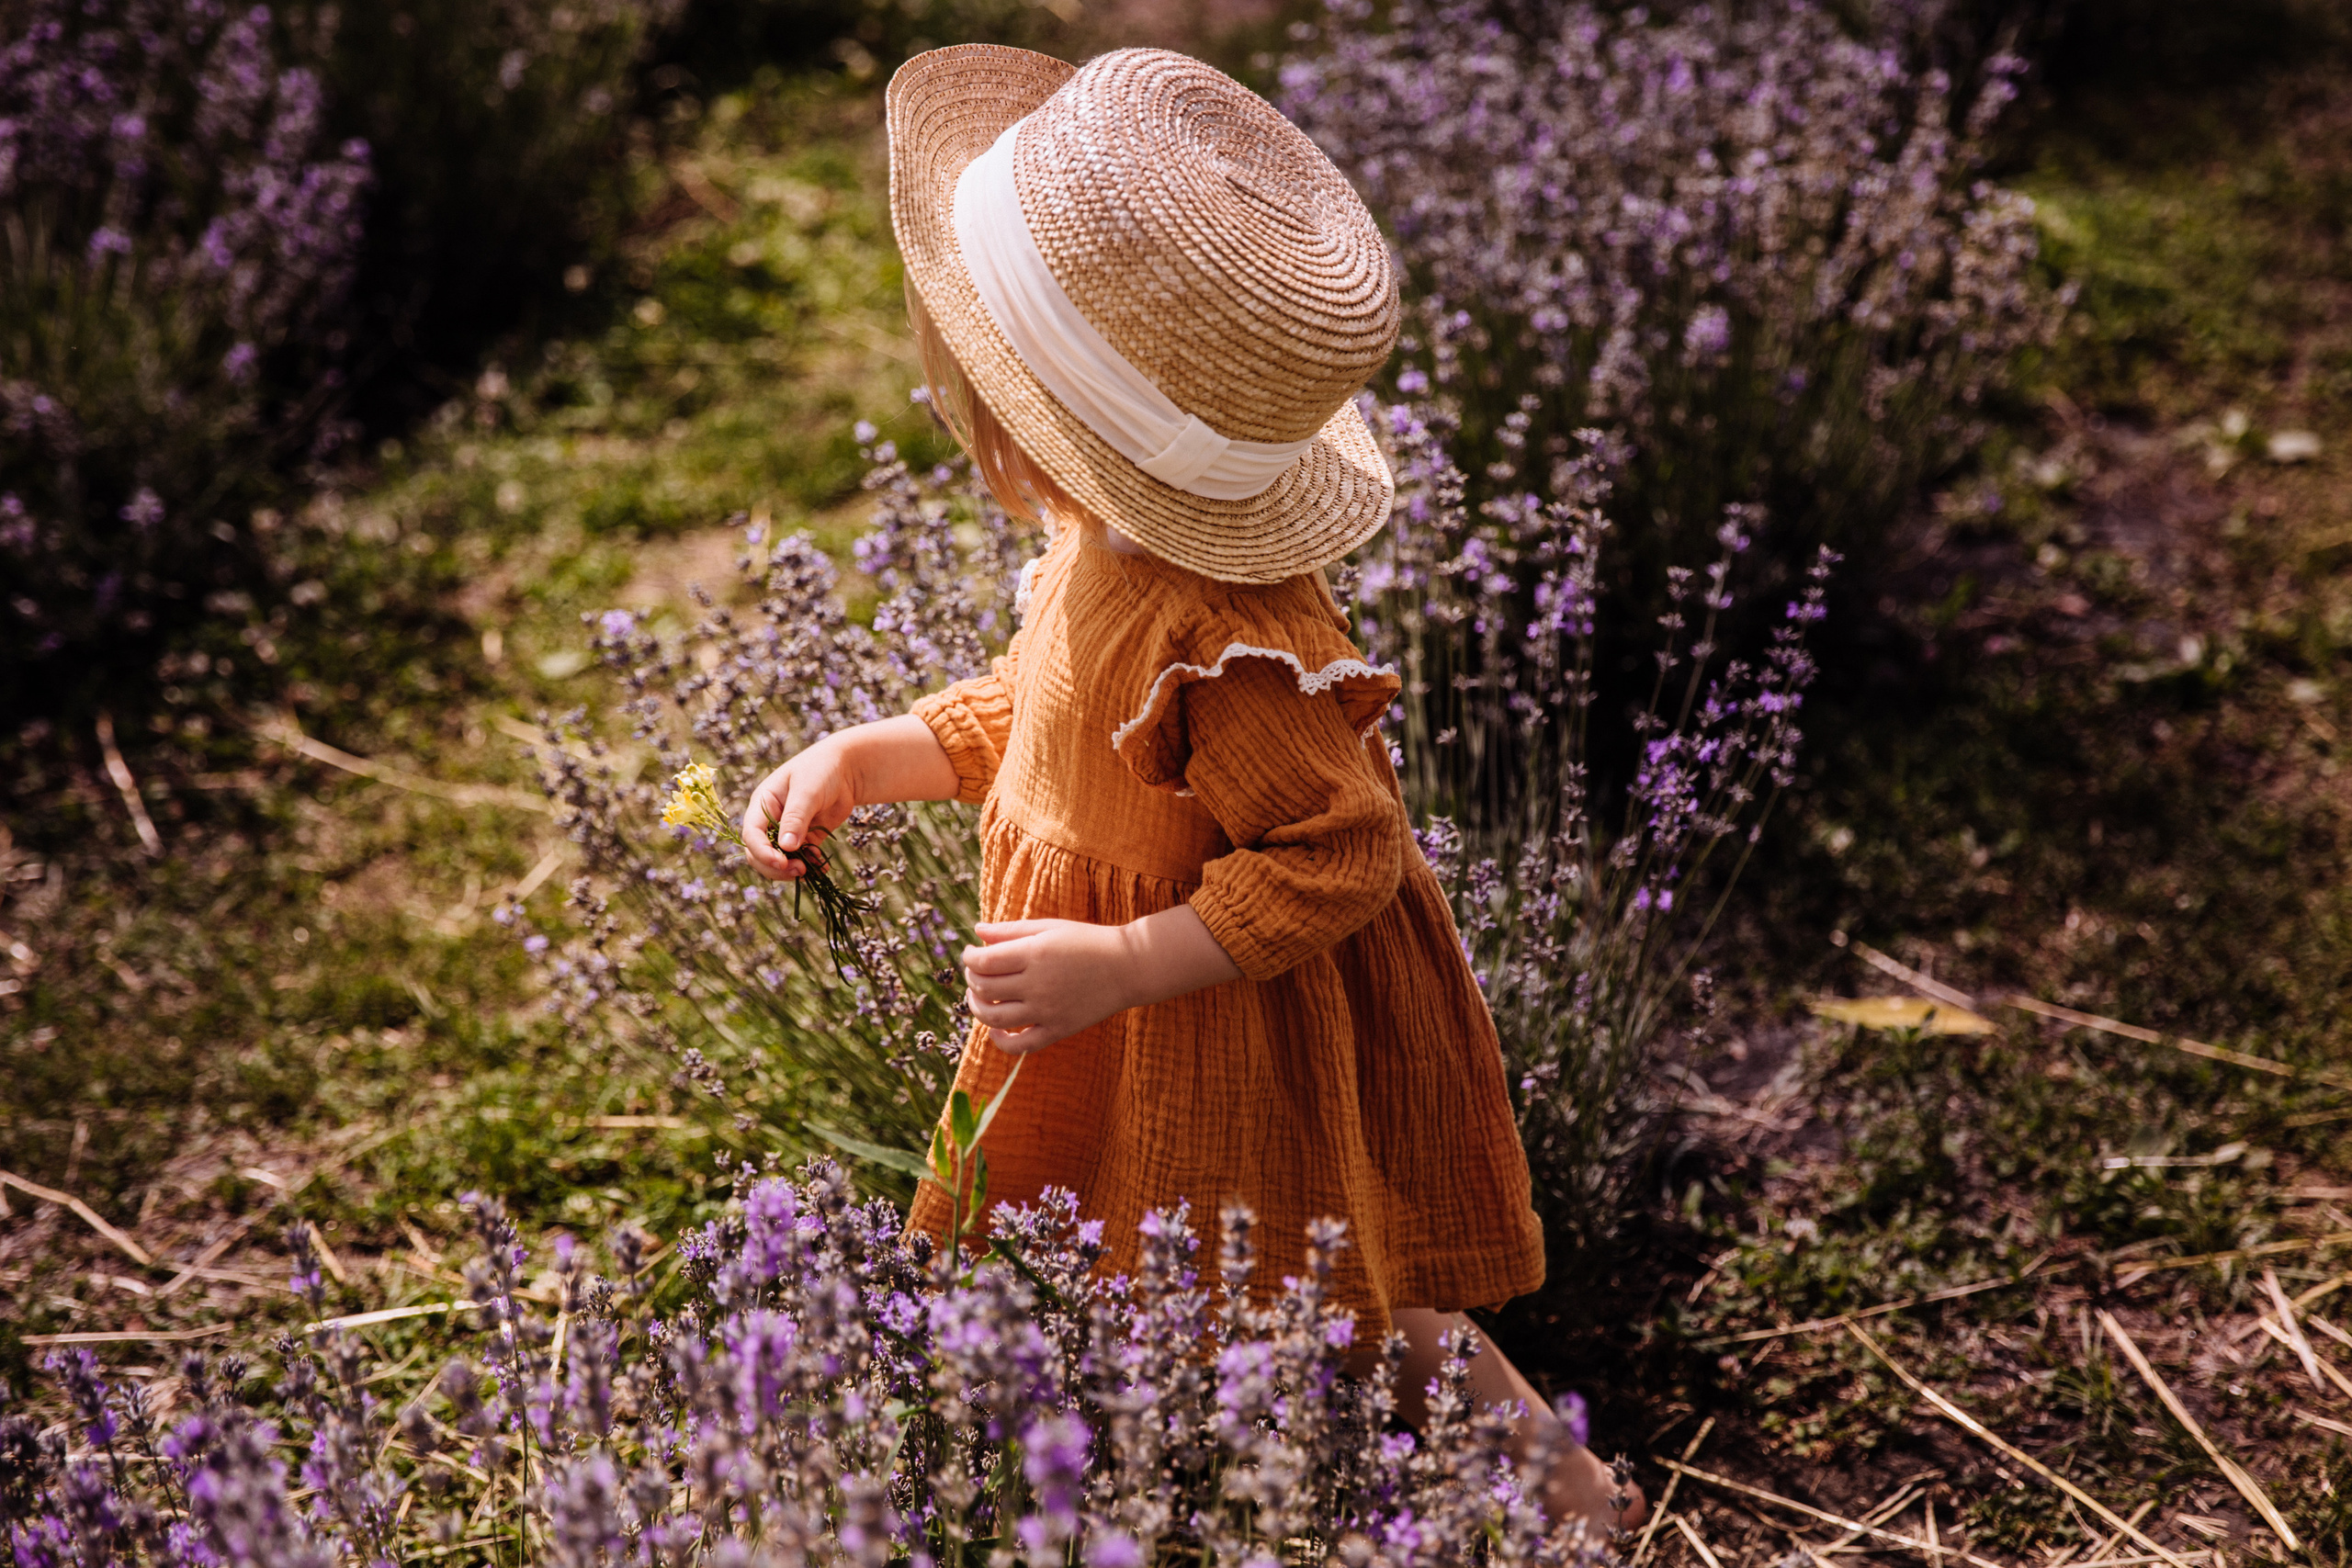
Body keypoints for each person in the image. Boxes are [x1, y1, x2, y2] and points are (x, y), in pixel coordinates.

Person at [738, 42, 1646, 1536]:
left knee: (1352, 1303)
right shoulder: (1111, 557)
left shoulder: (1226, 637)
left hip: (1231, 1017)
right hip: (1126, 1018)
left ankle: (1572, 1500)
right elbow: (1041, 715)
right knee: (1151, 1272)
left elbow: (1342, 851)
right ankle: (1220, 1487)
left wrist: (1124, 961)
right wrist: (871, 758)